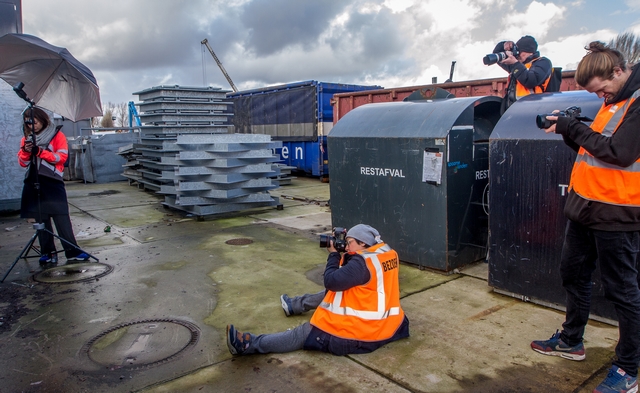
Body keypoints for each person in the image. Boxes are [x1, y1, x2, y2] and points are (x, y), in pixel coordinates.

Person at [530, 41, 640, 393]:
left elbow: (619, 153)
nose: (600, 95)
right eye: (595, 92)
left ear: (619, 72)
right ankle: (571, 340)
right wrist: (566, 129)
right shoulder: (613, 101)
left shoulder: (637, 103)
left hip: (617, 214)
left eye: (602, 88)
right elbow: (592, 150)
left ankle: (627, 369)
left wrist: (574, 127)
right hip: (585, 208)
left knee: (624, 292)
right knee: (573, 275)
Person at [226, 224, 410, 356]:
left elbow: (331, 281)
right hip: (390, 324)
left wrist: (333, 255)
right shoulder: (386, 254)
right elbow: (352, 276)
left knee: (301, 334)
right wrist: (346, 252)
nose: (346, 246)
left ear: (363, 244)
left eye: (350, 242)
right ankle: (294, 305)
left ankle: (248, 345)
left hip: (359, 332)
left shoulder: (362, 263)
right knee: (337, 294)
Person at [18, 106, 89, 265]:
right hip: (34, 182)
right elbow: (23, 163)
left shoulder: (57, 136)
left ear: (43, 120)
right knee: (41, 219)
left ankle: (72, 251)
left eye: (34, 122)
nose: (32, 126)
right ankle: (47, 252)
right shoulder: (27, 139)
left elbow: (61, 158)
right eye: (28, 123)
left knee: (61, 217)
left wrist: (39, 151)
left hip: (52, 181)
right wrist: (25, 151)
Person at [493, 35, 553, 113]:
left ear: (530, 52)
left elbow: (531, 80)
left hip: (533, 112)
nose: (517, 55)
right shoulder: (517, 65)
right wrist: (504, 44)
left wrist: (515, 64)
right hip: (513, 111)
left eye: (519, 52)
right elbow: (497, 55)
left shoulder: (543, 62)